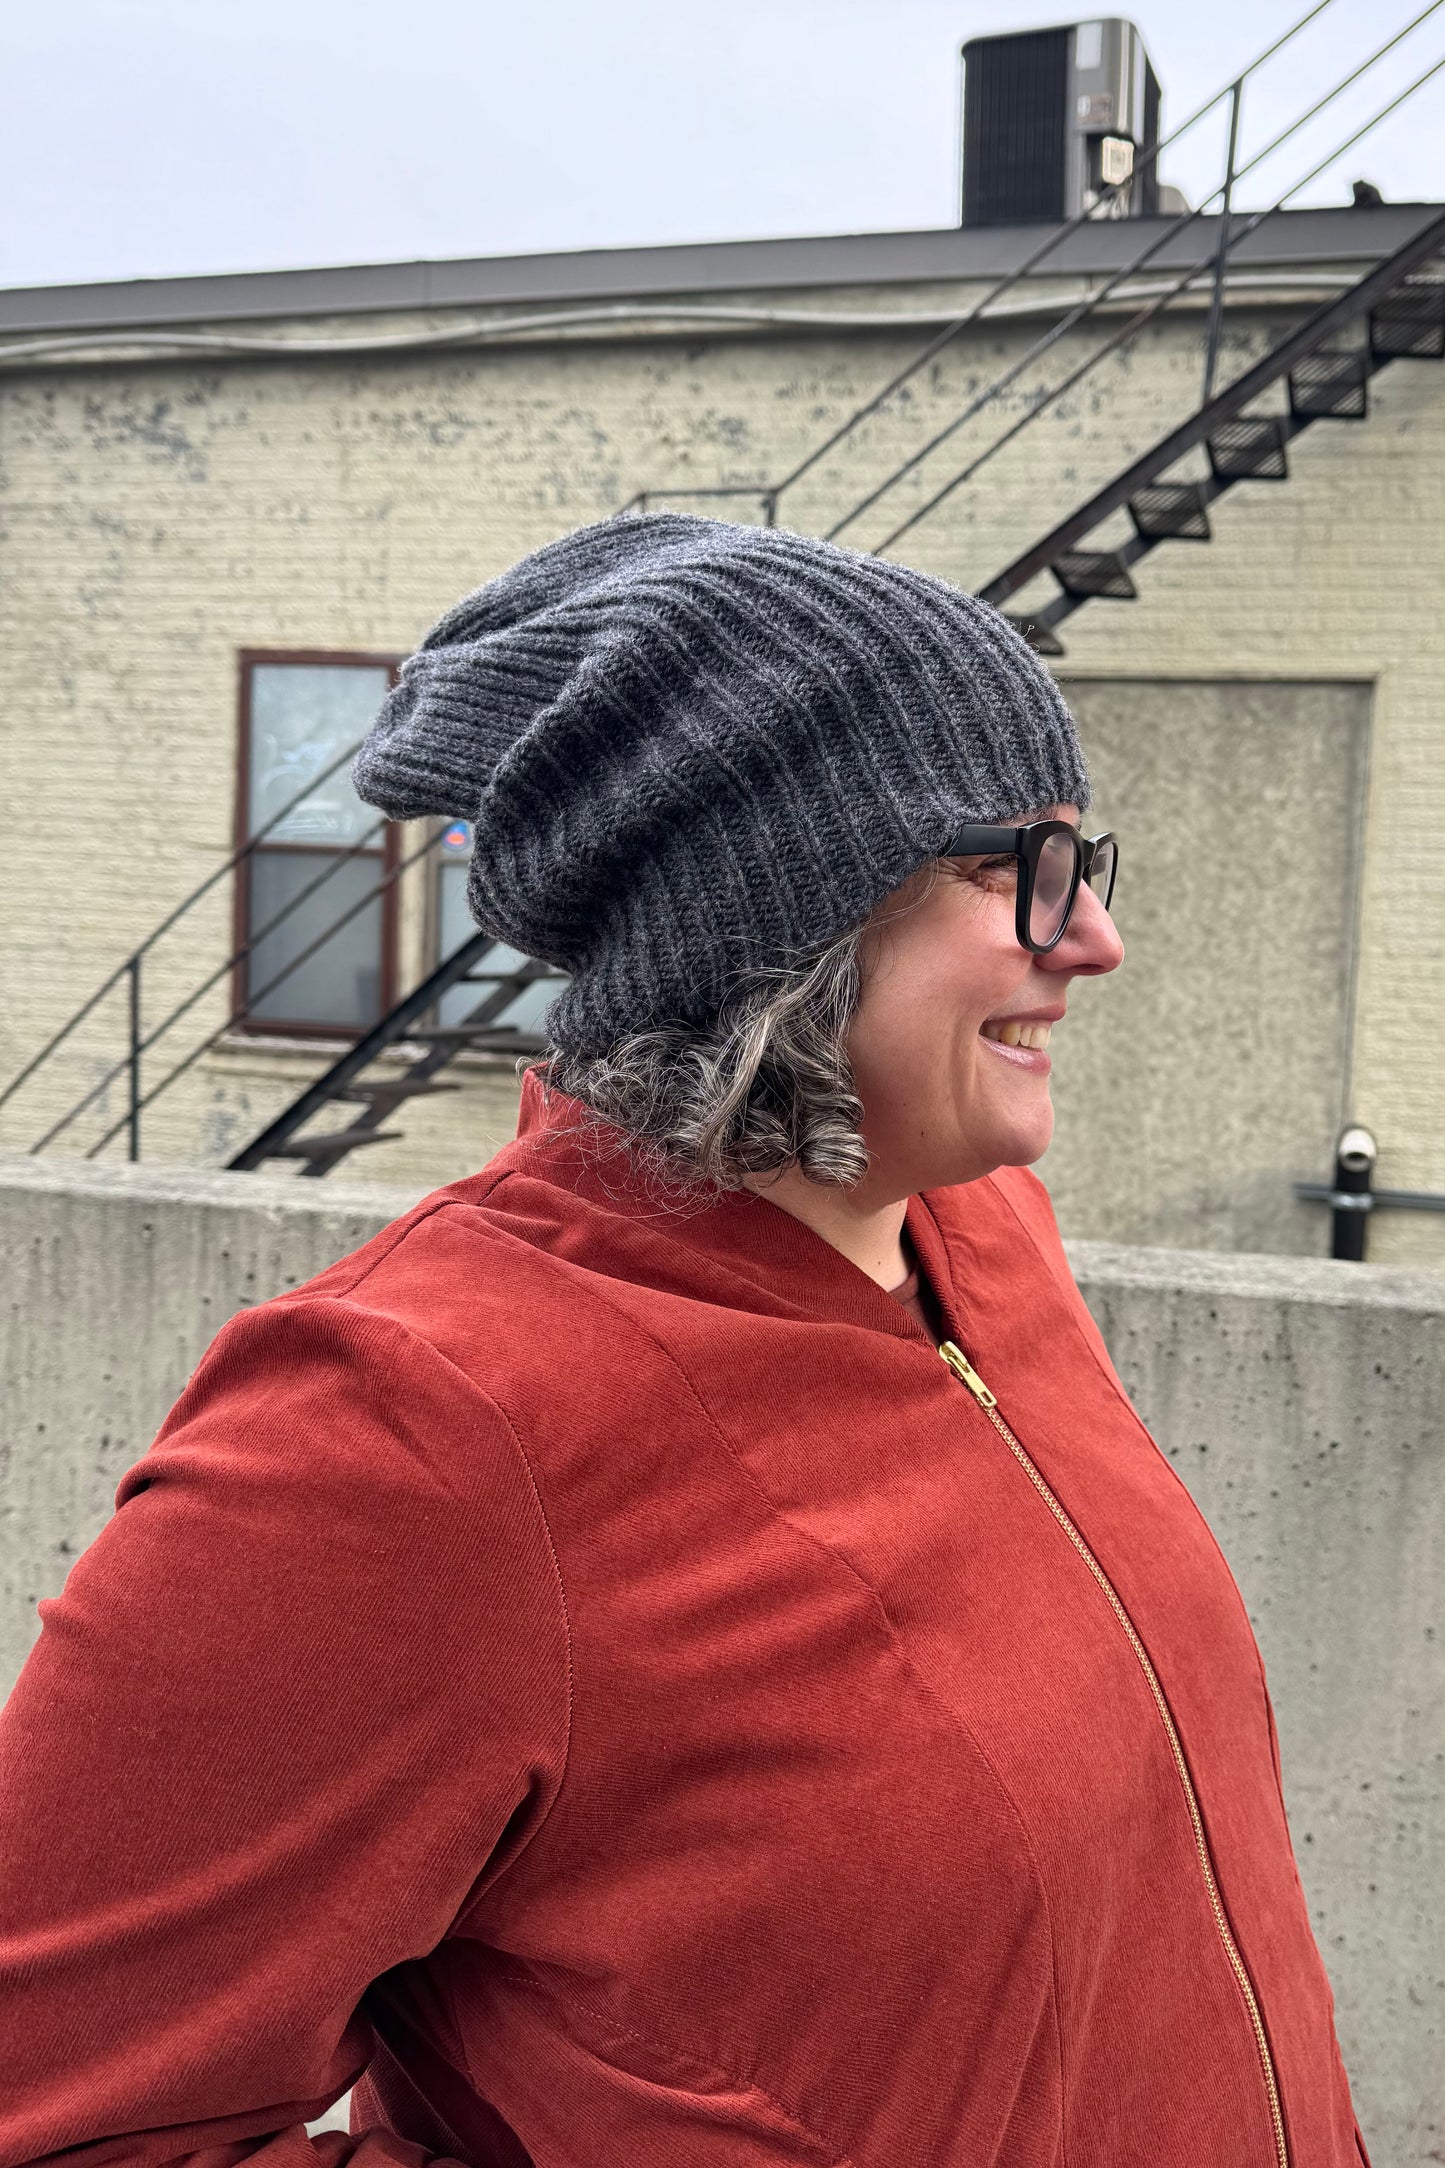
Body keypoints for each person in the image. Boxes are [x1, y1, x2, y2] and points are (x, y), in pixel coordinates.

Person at [0, 514, 1367, 2168]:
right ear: (772, 919)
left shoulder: (969, 1237)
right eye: (1014, 869)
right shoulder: (409, 1426)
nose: (1091, 939)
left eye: (1086, 861)